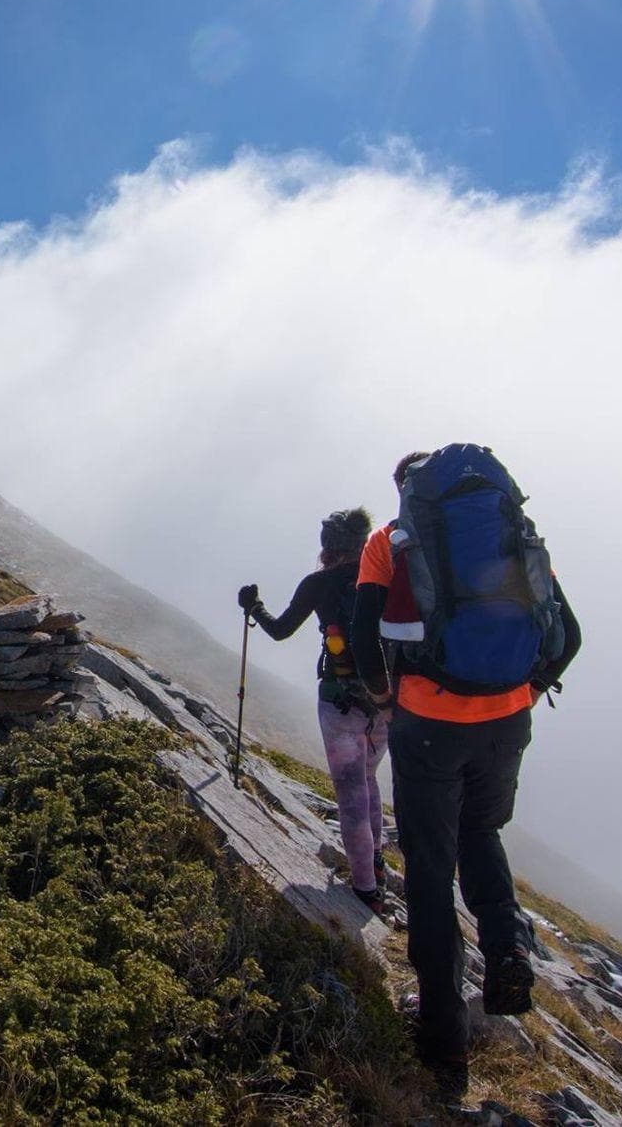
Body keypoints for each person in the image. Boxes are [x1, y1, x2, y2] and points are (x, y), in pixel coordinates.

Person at [351, 449, 581, 1102]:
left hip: (427, 723)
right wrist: (520, 694)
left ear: (408, 492)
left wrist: (386, 696)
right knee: (482, 830)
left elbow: (367, 639)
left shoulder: (386, 541)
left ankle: (444, 1048)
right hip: (507, 721)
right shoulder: (515, 531)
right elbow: (569, 636)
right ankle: (506, 947)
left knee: (429, 869)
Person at [236, 508, 395, 916]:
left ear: (328, 547)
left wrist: (253, 606)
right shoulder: (385, 579)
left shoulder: (319, 584)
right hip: (385, 699)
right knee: (370, 779)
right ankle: (376, 862)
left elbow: (281, 629)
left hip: (340, 700)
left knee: (351, 793)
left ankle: (365, 889)